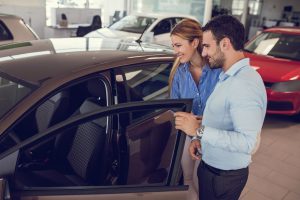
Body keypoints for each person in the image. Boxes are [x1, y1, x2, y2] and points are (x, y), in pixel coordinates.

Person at [174, 15, 267, 200]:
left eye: (207, 46)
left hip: (223, 176)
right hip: (212, 167)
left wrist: (199, 131)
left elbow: (247, 143)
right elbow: (222, 120)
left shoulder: (244, 84)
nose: (205, 53)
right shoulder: (229, 77)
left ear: (225, 44)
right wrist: (199, 138)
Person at [169, 19, 221, 200]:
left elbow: (224, 108)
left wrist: (199, 124)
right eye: (173, 45)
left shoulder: (217, 71)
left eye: (178, 45)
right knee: (189, 182)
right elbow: (175, 108)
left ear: (195, 42)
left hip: (210, 137)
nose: (175, 51)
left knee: (203, 184)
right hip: (186, 137)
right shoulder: (179, 74)